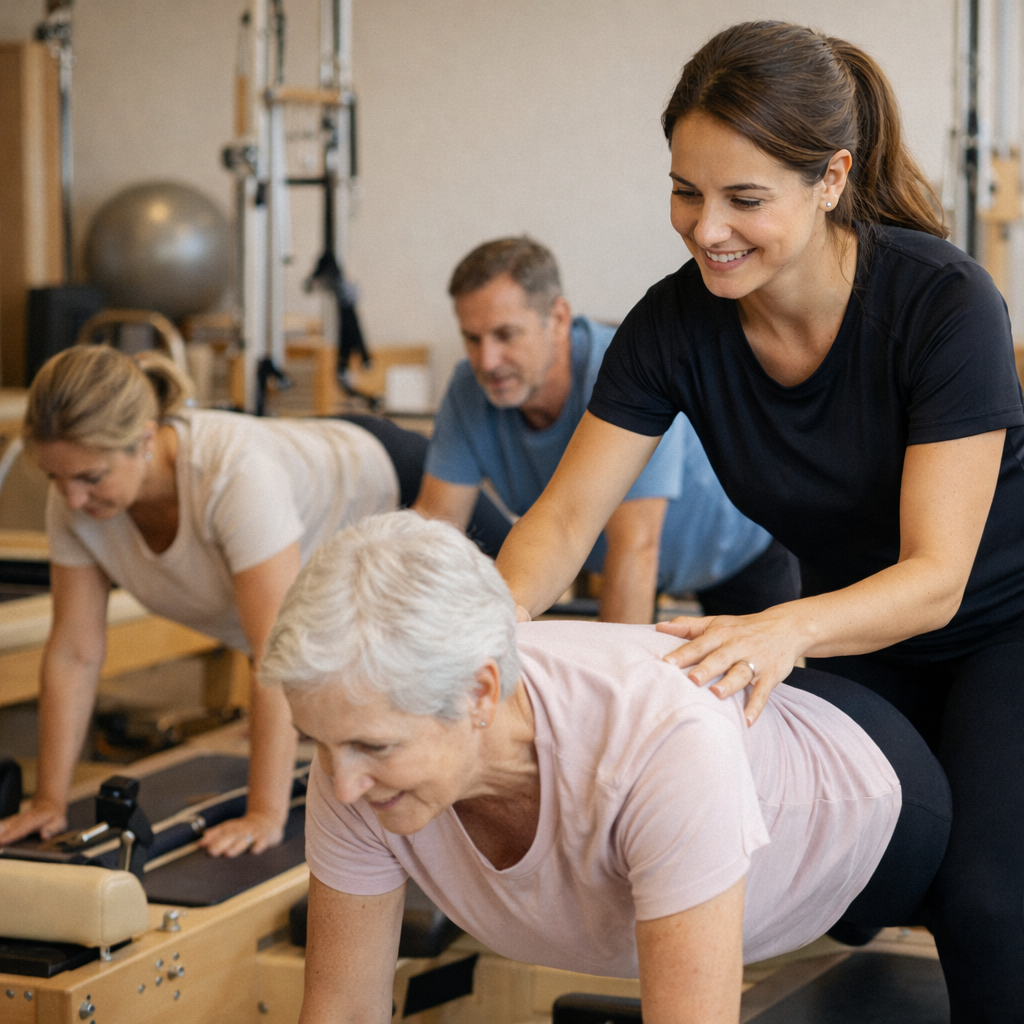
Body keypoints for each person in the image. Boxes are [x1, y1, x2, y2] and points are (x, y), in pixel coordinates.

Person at [490, 21, 1024, 1021]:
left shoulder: (941, 302)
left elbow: (937, 574)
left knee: (986, 901)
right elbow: (561, 523)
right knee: (856, 870)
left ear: (830, 179)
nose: (704, 228)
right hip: (850, 634)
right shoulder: (673, 324)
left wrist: (780, 627)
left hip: (998, 621)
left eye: (742, 199)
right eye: (685, 191)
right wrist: (469, 646)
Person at [259, 511, 951, 1024]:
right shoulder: (352, 747)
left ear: (478, 695)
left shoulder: (660, 745)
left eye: (374, 749)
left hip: (870, 800)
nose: (342, 784)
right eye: (321, 744)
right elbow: (345, 1008)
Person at [0, 345, 506, 857]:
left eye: (90, 478)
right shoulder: (73, 501)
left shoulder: (231, 471)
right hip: (310, 477)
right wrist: (48, 800)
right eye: (55, 478)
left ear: (145, 439)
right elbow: (74, 653)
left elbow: (273, 651)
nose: (73, 499)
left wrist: (266, 812)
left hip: (389, 474)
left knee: (523, 614)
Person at [413, 237, 799, 623]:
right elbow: (437, 524)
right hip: (615, 563)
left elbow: (634, 547)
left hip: (738, 553)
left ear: (559, 319)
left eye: (506, 335)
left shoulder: (623, 369)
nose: (488, 361)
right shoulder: (469, 389)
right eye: (472, 338)